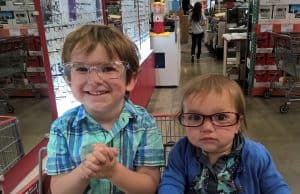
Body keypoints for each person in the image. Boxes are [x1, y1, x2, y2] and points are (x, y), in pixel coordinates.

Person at [46, 24, 165, 194]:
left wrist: (114, 172)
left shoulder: (144, 123)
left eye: (108, 68)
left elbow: (149, 185)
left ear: (130, 79)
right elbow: (58, 190)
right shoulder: (61, 128)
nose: (94, 79)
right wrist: (83, 171)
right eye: (81, 69)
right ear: (68, 79)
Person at [158, 74, 291, 194]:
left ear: (238, 123)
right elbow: (171, 183)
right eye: (195, 117)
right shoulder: (181, 152)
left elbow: (276, 188)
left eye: (221, 117)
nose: (207, 127)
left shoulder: (256, 155)